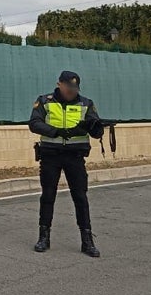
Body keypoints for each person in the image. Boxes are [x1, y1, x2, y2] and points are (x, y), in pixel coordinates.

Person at [28, 71, 105, 257]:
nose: (72, 91)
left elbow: (96, 131)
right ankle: (43, 237)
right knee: (48, 195)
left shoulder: (86, 104)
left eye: (75, 88)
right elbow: (34, 123)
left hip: (75, 157)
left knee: (80, 197)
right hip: (51, 155)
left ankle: (87, 241)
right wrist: (57, 131)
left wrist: (97, 128)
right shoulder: (45, 101)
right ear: (59, 84)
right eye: (68, 88)